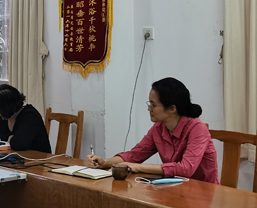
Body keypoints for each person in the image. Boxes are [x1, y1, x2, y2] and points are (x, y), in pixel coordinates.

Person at [88, 77, 219, 183]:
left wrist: (137, 167)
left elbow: (186, 168)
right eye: (149, 104)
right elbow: (134, 155)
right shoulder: (158, 128)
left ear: (172, 109)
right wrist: (106, 162)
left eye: (153, 105)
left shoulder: (197, 128)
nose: (149, 109)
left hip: (203, 192)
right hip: (174, 188)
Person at [0, 84, 51, 153]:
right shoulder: (4, 116)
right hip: (14, 157)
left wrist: (12, 140)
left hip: (37, 158)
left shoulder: (30, 116)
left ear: (8, 107)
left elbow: (19, 144)